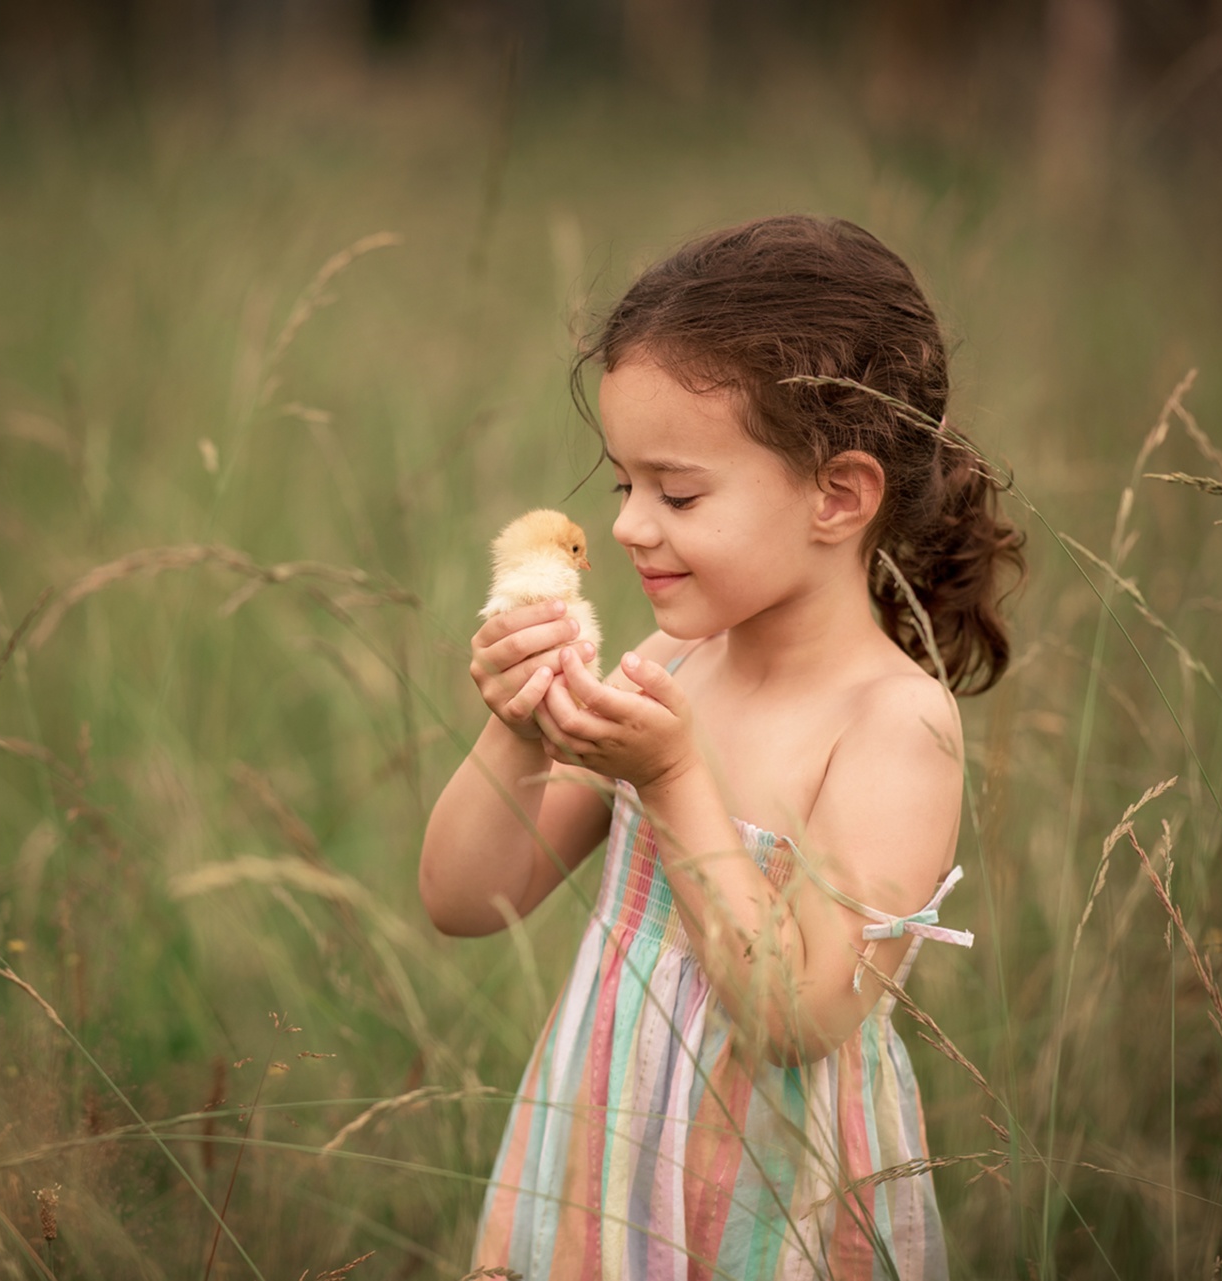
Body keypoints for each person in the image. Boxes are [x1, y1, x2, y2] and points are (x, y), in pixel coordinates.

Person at [419, 215, 1023, 1279]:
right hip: (603, 1158)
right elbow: (468, 900)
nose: (628, 527)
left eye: (679, 493)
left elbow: (795, 1017)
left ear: (838, 495)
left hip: (768, 1197)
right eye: (624, 485)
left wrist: (675, 779)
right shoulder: (674, 664)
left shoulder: (894, 726)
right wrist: (512, 734)